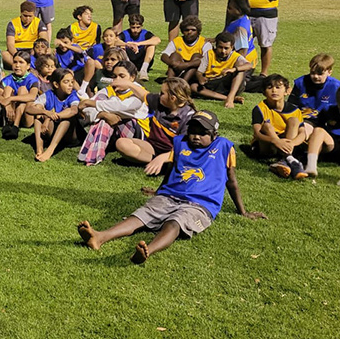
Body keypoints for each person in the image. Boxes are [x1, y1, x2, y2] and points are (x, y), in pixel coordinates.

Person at [77, 110, 266, 264]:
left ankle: (147, 250)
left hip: (200, 205)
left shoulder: (224, 147)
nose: (196, 136)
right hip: (170, 195)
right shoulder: (180, 142)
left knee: (175, 222)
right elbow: (171, 170)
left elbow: (231, 180)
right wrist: (159, 191)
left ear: (214, 135)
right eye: (193, 130)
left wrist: (243, 211)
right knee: (141, 215)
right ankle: (100, 237)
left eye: (203, 133)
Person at [76, 60, 150, 166]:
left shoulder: (139, 92)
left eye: (122, 76)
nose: (117, 80)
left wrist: (93, 104)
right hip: (116, 131)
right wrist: (102, 114)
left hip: (137, 135)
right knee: (105, 119)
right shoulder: (109, 90)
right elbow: (87, 110)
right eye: (115, 76)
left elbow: (122, 107)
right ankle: (93, 157)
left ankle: (90, 155)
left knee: (108, 116)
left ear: (132, 78)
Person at [114, 76, 196, 166]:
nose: (159, 94)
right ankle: (155, 161)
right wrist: (129, 84)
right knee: (121, 143)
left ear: (173, 98)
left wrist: (166, 157)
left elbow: (184, 148)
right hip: (152, 147)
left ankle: (163, 162)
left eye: (162, 93)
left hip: (172, 153)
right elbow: (144, 94)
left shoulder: (189, 118)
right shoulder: (160, 102)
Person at [250, 74, 308, 180]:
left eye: (278, 87)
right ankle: (291, 161)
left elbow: (302, 133)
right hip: (268, 145)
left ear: (286, 91)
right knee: (267, 126)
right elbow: (257, 134)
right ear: (264, 92)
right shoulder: (259, 108)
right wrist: (275, 141)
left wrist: (292, 143)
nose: (274, 91)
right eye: (269, 87)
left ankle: (284, 161)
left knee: (294, 121)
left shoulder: (295, 110)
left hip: (287, 144)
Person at [236, 0, 283, 76]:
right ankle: (243, 69)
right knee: (242, 44)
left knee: (265, 44)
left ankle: (264, 73)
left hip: (266, 15)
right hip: (247, 15)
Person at [27, 67, 82, 162]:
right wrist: (46, 112)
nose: (70, 85)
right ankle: (39, 148)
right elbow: (29, 109)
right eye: (66, 82)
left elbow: (73, 110)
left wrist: (51, 117)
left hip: (70, 136)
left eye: (72, 82)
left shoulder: (73, 95)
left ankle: (50, 150)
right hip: (52, 131)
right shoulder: (48, 95)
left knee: (67, 119)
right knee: (38, 115)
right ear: (56, 84)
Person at [191, 32, 253, 108]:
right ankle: (227, 98)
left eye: (226, 48)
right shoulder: (209, 54)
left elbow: (249, 65)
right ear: (216, 46)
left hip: (227, 84)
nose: (223, 51)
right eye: (220, 47)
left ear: (232, 47)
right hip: (211, 83)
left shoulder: (235, 56)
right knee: (194, 87)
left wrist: (233, 69)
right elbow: (199, 72)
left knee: (240, 71)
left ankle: (230, 97)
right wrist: (201, 78)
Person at [0, 51, 41, 140]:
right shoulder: (7, 79)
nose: (17, 65)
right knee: (8, 88)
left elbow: (32, 96)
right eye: (15, 62)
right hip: (11, 113)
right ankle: (7, 124)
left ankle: (15, 127)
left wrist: (10, 99)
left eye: (21, 62)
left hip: (26, 116)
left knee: (23, 89)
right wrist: (7, 105)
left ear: (28, 66)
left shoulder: (33, 79)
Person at [289, 53, 340, 122]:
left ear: (329, 72)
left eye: (320, 74)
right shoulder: (301, 83)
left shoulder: (336, 86)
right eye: (313, 73)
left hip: (326, 121)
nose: (316, 76)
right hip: (304, 119)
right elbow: (291, 105)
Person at [159, 16, 206, 84]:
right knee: (174, 55)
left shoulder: (204, 42)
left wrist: (186, 65)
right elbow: (164, 55)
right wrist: (172, 63)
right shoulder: (177, 41)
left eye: (193, 30)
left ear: (198, 32)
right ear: (182, 31)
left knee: (197, 57)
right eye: (186, 30)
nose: (189, 32)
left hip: (195, 72)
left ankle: (184, 83)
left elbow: (207, 60)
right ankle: (170, 82)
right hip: (178, 68)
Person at [3, 0, 49, 68]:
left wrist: (36, 50)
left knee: (48, 51)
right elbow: (10, 44)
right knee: (4, 54)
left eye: (30, 16)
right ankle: (27, 67)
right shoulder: (13, 24)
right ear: (21, 13)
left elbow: (44, 39)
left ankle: (22, 67)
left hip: (33, 50)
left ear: (34, 14)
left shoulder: (39, 23)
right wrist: (17, 56)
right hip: (18, 50)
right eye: (25, 15)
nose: (27, 18)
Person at [54, 27, 98, 96]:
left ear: (71, 41)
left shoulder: (74, 47)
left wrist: (66, 45)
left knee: (91, 62)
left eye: (65, 42)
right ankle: (81, 93)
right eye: (60, 43)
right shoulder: (56, 52)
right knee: (69, 75)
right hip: (70, 74)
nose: (62, 45)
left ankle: (83, 87)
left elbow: (79, 51)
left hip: (82, 71)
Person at [118, 13, 160, 83]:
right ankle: (128, 67)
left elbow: (157, 40)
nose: (135, 30)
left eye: (138, 27)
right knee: (121, 46)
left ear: (141, 26)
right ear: (129, 26)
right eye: (133, 27)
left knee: (151, 45)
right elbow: (115, 41)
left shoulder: (145, 33)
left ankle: (144, 70)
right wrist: (128, 44)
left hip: (142, 60)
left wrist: (138, 44)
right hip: (128, 59)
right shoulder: (125, 33)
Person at [223, 0, 260, 71]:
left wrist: (234, 67)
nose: (228, 10)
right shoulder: (243, 17)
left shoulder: (240, 28)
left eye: (230, 8)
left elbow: (242, 51)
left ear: (238, 10)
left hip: (245, 62)